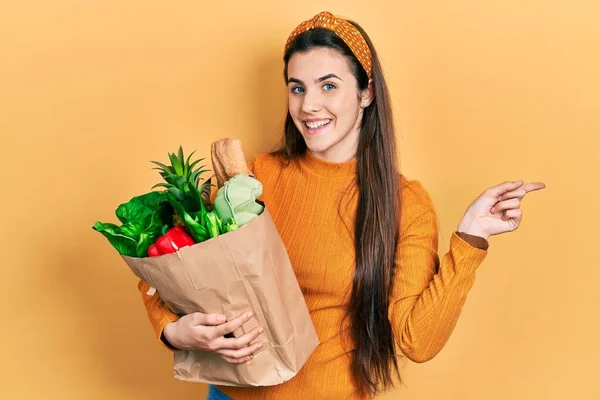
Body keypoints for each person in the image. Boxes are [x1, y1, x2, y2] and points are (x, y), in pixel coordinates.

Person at [136, 11, 546, 400]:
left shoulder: (404, 203)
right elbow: (163, 266)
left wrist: (471, 238)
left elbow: (417, 341)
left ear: (366, 93)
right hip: (228, 394)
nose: (309, 105)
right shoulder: (251, 179)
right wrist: (175, 332)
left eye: (328, 85)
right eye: (297, 88)